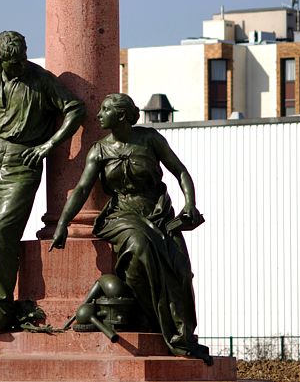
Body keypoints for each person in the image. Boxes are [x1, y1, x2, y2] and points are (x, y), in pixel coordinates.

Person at [50, 93, 211, 363]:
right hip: (121, 213)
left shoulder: (150, 139)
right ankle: (155, 319)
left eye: (104, 110)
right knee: (140, 246)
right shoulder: (99, 150)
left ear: (121, 116)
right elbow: (80, 190)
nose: (98, 115)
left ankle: (182, 333)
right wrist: (63, 224)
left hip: (158, 212)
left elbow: (180, 171)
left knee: (181, 269)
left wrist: (190, 204)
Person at [0, 31, 85, 332]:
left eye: (22, 59)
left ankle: (0, 305)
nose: (20, 65)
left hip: (23, 160)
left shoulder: (40, 78)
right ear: (0, 61)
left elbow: (75, 109)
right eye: (13, 62)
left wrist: (49, 145)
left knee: (1, 230)